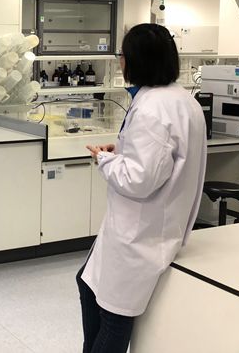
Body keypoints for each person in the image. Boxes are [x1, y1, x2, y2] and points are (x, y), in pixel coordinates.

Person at [81, 23, 207, 353]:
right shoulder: (182, 99)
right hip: (154, 224)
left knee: (115, 316)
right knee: (86, 283)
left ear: (137, 60)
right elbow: (161, 158)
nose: (120, 61)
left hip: (140, 234)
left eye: (122, 55)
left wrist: (104, 160)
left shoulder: (152, 108)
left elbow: (138, 180)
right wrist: (123, 151)